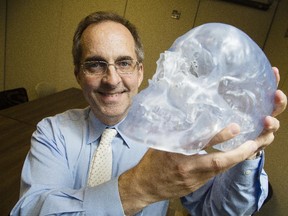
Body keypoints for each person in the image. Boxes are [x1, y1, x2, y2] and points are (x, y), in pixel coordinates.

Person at [11, 11, 287, 216]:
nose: (111, 79)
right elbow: (30, 209)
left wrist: (247, 146)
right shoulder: (52, 132)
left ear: (141, 71)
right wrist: (137, 188)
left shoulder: (173, 131)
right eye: (95, 65)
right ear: (78, 75)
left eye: (124, 63)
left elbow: (221, 211)